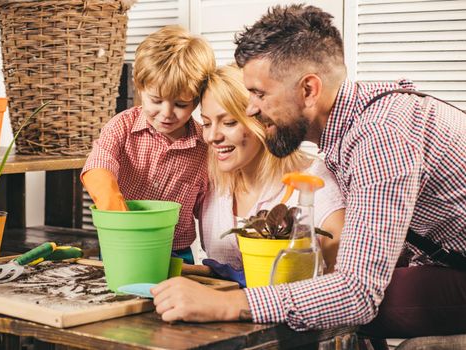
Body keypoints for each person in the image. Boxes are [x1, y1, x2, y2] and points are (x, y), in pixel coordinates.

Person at [151, 4, 466, 339]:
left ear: (309, 90)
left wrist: (231, 304)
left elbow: (357, 293)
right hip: (445, 261)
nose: (251, 108)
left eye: (259, 93)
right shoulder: (352, 129)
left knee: (365, 302)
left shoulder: (380, 135)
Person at [81, 25, 215, 263]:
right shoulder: (121, 126)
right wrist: (121, 222)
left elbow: (210, 210)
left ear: (197, 101)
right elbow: (98, 167)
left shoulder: (205, 147)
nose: (167, 113)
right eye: (156, 100)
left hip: (177, 253)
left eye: (181, 104)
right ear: (139, 87)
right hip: (121, 245)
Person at [198, 65, 345, 276]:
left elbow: (341, 277)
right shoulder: (213, 187)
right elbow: (224, 275)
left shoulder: (314, 183)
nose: (212, 136)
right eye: (206, 123)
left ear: (261, 120)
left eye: (229, 123)